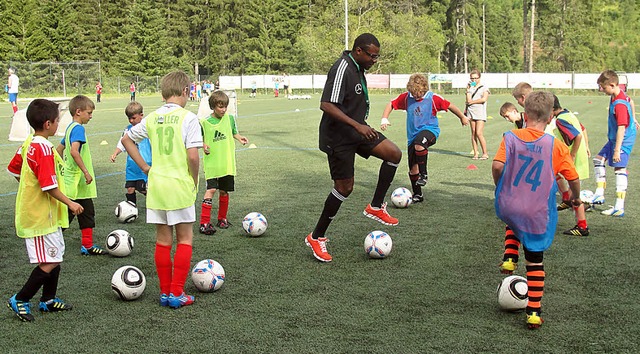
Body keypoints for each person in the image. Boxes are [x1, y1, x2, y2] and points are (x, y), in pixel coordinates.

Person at [305, 33, 402, 263]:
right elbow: (326, 104)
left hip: (358, 130)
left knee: (393, 154)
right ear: (359, 51)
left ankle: (376, 206)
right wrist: (357, 126)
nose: (374, 60)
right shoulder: (342, 67)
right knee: (344, 188)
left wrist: (360, 126)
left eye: (377, 56)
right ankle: (316, 237)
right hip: (338, 137)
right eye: (372, 56)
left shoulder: (359, 68)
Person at [493, 91, 582, 329]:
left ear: (524, 114)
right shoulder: (556, 147)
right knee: (535, 262)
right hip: (537, 211)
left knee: (513, 216)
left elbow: (497, 165)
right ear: (551, 118)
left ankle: (510, 256)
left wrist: (500, 185)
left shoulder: (511, 136)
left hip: (511, 203)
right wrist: (576, 197)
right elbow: (573, 178)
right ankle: (533, 312)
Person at [121, 71, 203, 309]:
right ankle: (177, 292)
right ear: (186, 91)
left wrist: (146, 167)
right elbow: (193, 156)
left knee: (163, 240)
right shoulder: (188, 118)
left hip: (157, 185)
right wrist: (194, 179)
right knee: (185, 239)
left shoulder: (153, 117)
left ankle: (165, 292)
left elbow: (127, 140)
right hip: (179, 185)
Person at [5, 99, 83, 322]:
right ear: (48, 124)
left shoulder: (29, 142)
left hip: (47, 214)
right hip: (39, 216)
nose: (59, 123)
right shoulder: (43, 149)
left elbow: (14, 168)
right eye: (58, 120)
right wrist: (71, 203)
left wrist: (28, 184)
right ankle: (20, 299)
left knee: (56, 255)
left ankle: (48, 300)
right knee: (49, 260)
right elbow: (48, 186)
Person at [380, 73, 468, 203]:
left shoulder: (433, 98)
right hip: (412, 137)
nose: (416, 96)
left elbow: (450, 105)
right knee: (412, 169)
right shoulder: (406, 98)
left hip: (430, 131)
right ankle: (418, 194)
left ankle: (424, 174)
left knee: (419, 144)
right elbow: (391, 104)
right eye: (414, 93)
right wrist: (384, 118)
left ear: (425, 89)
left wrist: (462, 117)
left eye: (419, 93)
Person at [56, 95, 106, 255]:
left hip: (73, 181)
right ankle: (50, 244)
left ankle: (87, 246)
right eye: (89, 113)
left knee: (86, 212)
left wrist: (61, 167)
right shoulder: (78, 128)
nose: (91, 116)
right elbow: (74, 151)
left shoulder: (70, 127)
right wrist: (86, 172)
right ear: (78, 112)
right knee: (67, 216)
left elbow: (59, 149)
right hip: (77, 182)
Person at [198, 91, 248, 235]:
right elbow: (198, 139)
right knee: (211, 190)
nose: (224, 110)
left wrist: (239, 138)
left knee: (224, 191)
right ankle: (204, 222)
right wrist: (203, 145)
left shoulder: (230, 119)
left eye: (225, 106)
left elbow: (233, 132)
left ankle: (222, 219)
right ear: (213, 106)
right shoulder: (204, 122)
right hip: (213, 163)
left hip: (226, 162)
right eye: (220, 107)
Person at [590, 70, 637, 216]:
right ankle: (599, 193)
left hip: (622, 140)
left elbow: (621, 128)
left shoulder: (619, 105)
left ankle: (619, 207)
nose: (601, 90)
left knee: (619, 169)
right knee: (598, 160)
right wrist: (634, 118)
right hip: (614, 138)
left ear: (612, 84)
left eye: (603, 87)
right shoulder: (617, 94)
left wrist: (617, 150)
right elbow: (631, 101)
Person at [550, 95, 590, 236]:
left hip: (575, 160)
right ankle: (569, 202)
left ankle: (582, 227)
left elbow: (577, 136)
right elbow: (582, 129)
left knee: (575, 197)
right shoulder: (569, 114)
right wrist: (586, 147)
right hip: (580, 157)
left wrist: (572, 155)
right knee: (572, 193)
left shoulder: (560, 120)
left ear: (552, 109)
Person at [110, 101, 151, 206]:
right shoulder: (128, 129)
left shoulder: (147, 128)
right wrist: (115, 153)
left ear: (141, 115)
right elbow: (122, 143)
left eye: (133, 118)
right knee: (130, 189)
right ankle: (131, 209)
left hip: (145, 165)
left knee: (143, 188)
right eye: (129, 118)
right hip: (131, 167)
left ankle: (154, 202)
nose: (131, 121)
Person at [465, 69, 490, 160]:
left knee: (479, 133)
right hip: (471, 112)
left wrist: (473, 102)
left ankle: (485, 153)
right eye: (472, 78)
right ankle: (475, 153)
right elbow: (468, 100)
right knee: (473, 133)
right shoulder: (470, 88)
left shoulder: (484, 87)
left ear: (479, 78)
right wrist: (468, 90)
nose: (474, 80)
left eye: (476, 78)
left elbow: (484, 99)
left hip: (480, 112)